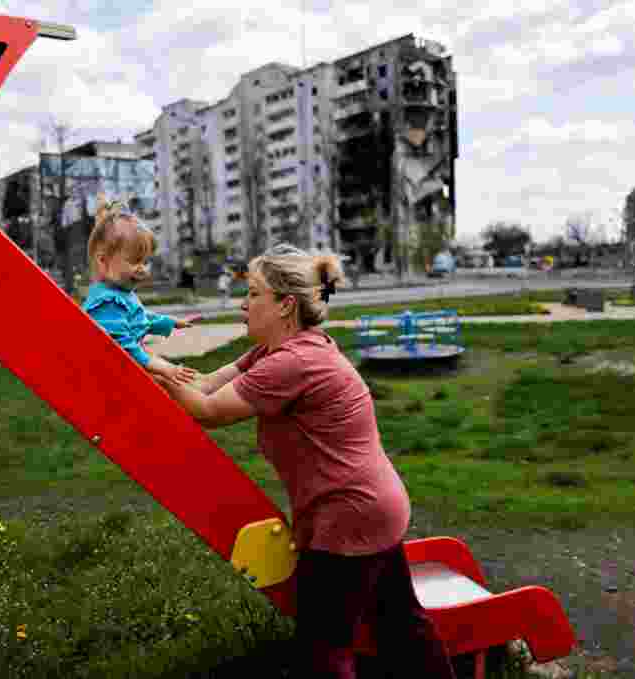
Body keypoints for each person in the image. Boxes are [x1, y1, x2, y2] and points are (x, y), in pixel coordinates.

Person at [155, 243, 456, 679]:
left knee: (324, 649)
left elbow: (208, 413)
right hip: (371, 505)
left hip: (349, 515)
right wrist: (153, 364)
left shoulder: (293, 362)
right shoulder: (276, 352)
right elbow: (203, 386)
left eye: (254, 293)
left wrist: (153, 373)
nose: (243, 303)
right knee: (400, 623)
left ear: (285, 305)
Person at [82, 195, 201, 384]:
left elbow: (138, 318)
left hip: (127, 372)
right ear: (103, 261)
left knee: (177, 383)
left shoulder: (119, 294)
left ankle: (207, 398)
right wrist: (160, 366)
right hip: (114, 380)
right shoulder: (106, 303)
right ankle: (208, 404)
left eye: (145, 262)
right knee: (170, 380)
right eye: (134, 261)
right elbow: (121, 347)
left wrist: (170, 322)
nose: (142, 268)